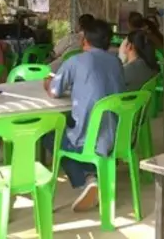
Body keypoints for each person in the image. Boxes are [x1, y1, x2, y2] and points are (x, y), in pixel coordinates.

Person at [43, 19, 124, 212]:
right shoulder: (116, 61)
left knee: (49, 134)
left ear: (85, 40)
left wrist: (47, 83)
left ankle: (88, 178)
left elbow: (55, 91)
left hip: (90, 138)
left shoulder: (75, 61)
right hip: (118, 135)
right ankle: (93, 173)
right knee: (75, 122)